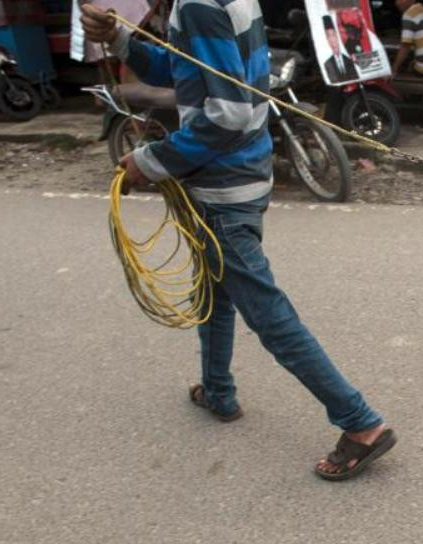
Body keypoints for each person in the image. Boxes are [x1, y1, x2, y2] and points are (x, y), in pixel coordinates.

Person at [80, 2, 396, 481]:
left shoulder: (202, 5)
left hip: (224, 192)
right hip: (244, 176)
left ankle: (360, 423)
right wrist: (123, 42)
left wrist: (155, 159)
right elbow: (184, 67)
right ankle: (217, 390)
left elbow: (226, 114)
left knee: (269, 316)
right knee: (213, 289)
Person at [321, 15, 359, 84]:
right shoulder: (327, 64)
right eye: (328, 36)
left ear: (338, 36)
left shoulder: (349, 60)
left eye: (333, 35)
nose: (332, 40)